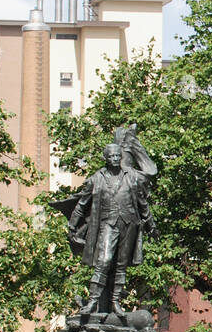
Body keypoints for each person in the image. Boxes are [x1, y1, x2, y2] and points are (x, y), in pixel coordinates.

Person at [66, 136, 157, 318]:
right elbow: (82, 204)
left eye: (118, 156)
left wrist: (151, 226)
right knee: (104, 261)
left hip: (129, 223)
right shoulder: (96, 179)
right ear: (106, 158)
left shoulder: (131, 176)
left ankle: (115, 302)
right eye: (112, 156)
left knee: (121, 265)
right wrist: (72, 226)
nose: (116, 159)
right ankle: (93, 301)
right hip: (107, 223)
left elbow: (142, 204)